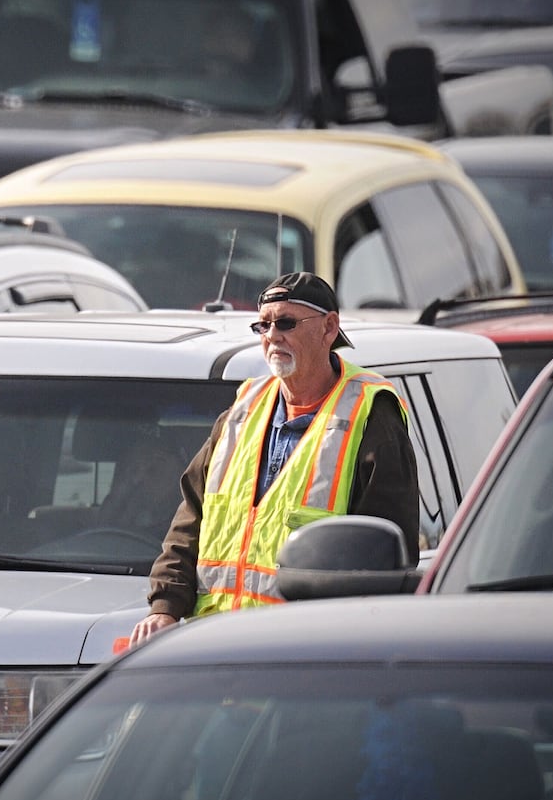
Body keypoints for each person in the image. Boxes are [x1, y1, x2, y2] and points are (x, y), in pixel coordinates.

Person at [129, 271, 420, 645]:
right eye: (262, 325)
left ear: (330, 328)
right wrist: (165, 607)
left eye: (286, 323)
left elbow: (386, 555)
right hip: (216, 648)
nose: (272, 336)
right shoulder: (243, 408)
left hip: (307, 655)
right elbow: (191, 520)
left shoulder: (370, 412)